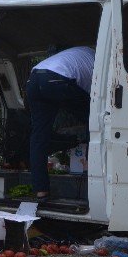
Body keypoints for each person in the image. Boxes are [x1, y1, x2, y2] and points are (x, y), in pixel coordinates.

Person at [25, 46, 93, 200]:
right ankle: (90, 175)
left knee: (38, 136)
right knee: (94, 123)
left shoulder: (80, 54)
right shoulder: (98, 62)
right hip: (57, 79)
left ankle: (40, 190)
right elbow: (95, 98)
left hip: (34, 79)